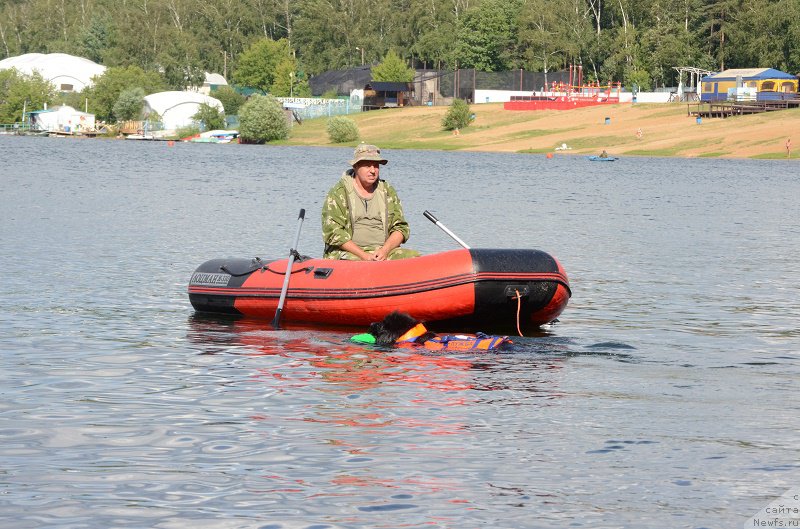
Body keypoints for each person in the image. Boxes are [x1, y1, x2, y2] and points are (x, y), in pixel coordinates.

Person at [322, 143, 420, 261]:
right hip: (348, 254)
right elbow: (333, 233)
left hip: (383, 252)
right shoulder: (339, 192)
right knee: (356, 264)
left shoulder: (387, 191)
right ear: (356, 166)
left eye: (376, 165)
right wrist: (365, 256)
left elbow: (400, 228)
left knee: (414, 258)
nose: (373, 170)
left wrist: (384, 250)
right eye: (367, 165)